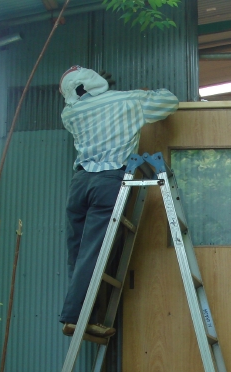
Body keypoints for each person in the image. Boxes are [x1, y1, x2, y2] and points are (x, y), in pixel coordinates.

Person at [58, 65, 178, 338]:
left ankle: (80, 316)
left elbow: (82, 99)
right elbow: (170, 101)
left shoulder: (70, 113)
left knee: (78, 253)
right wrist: (147, 93)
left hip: (80, 183)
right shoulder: (128, 100)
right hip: (109, 180)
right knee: (96, 252)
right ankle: (77, 317)